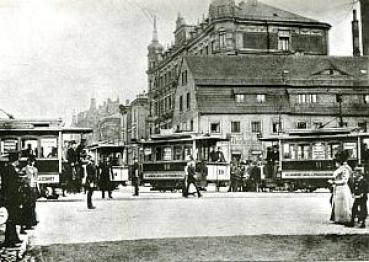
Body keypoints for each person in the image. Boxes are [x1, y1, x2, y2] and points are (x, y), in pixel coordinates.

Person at [1, 151, 22, 247]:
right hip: (11, 198)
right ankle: (10, 241)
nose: (19, 161)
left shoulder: (7, 169)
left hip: (8, 197)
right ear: (15, 160)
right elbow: (11, 186)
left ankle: (13, 239)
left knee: (11, 219)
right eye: (18, 159)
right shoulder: (10, 170)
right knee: (11, 219)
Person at [331, 151, 353, 225]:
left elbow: (345, 180)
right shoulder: (341, 168)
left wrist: (335, 182)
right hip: (338, 189)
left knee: (344, 203)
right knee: (338, 203)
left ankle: (345, 219)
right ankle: (339, 218)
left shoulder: (345, 169)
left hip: (343, 188)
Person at [20, 157, 39, 233]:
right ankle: (27, 223)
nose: (32, 163)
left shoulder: (35, 169)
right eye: (30, 161)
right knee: (27, 205)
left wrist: (38, 189)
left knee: (32, 205)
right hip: (27, 188)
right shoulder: (24, 169)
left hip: (33, 188)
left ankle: (32, 222)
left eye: (32, 162)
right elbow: (22, 179)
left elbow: (36, 180)